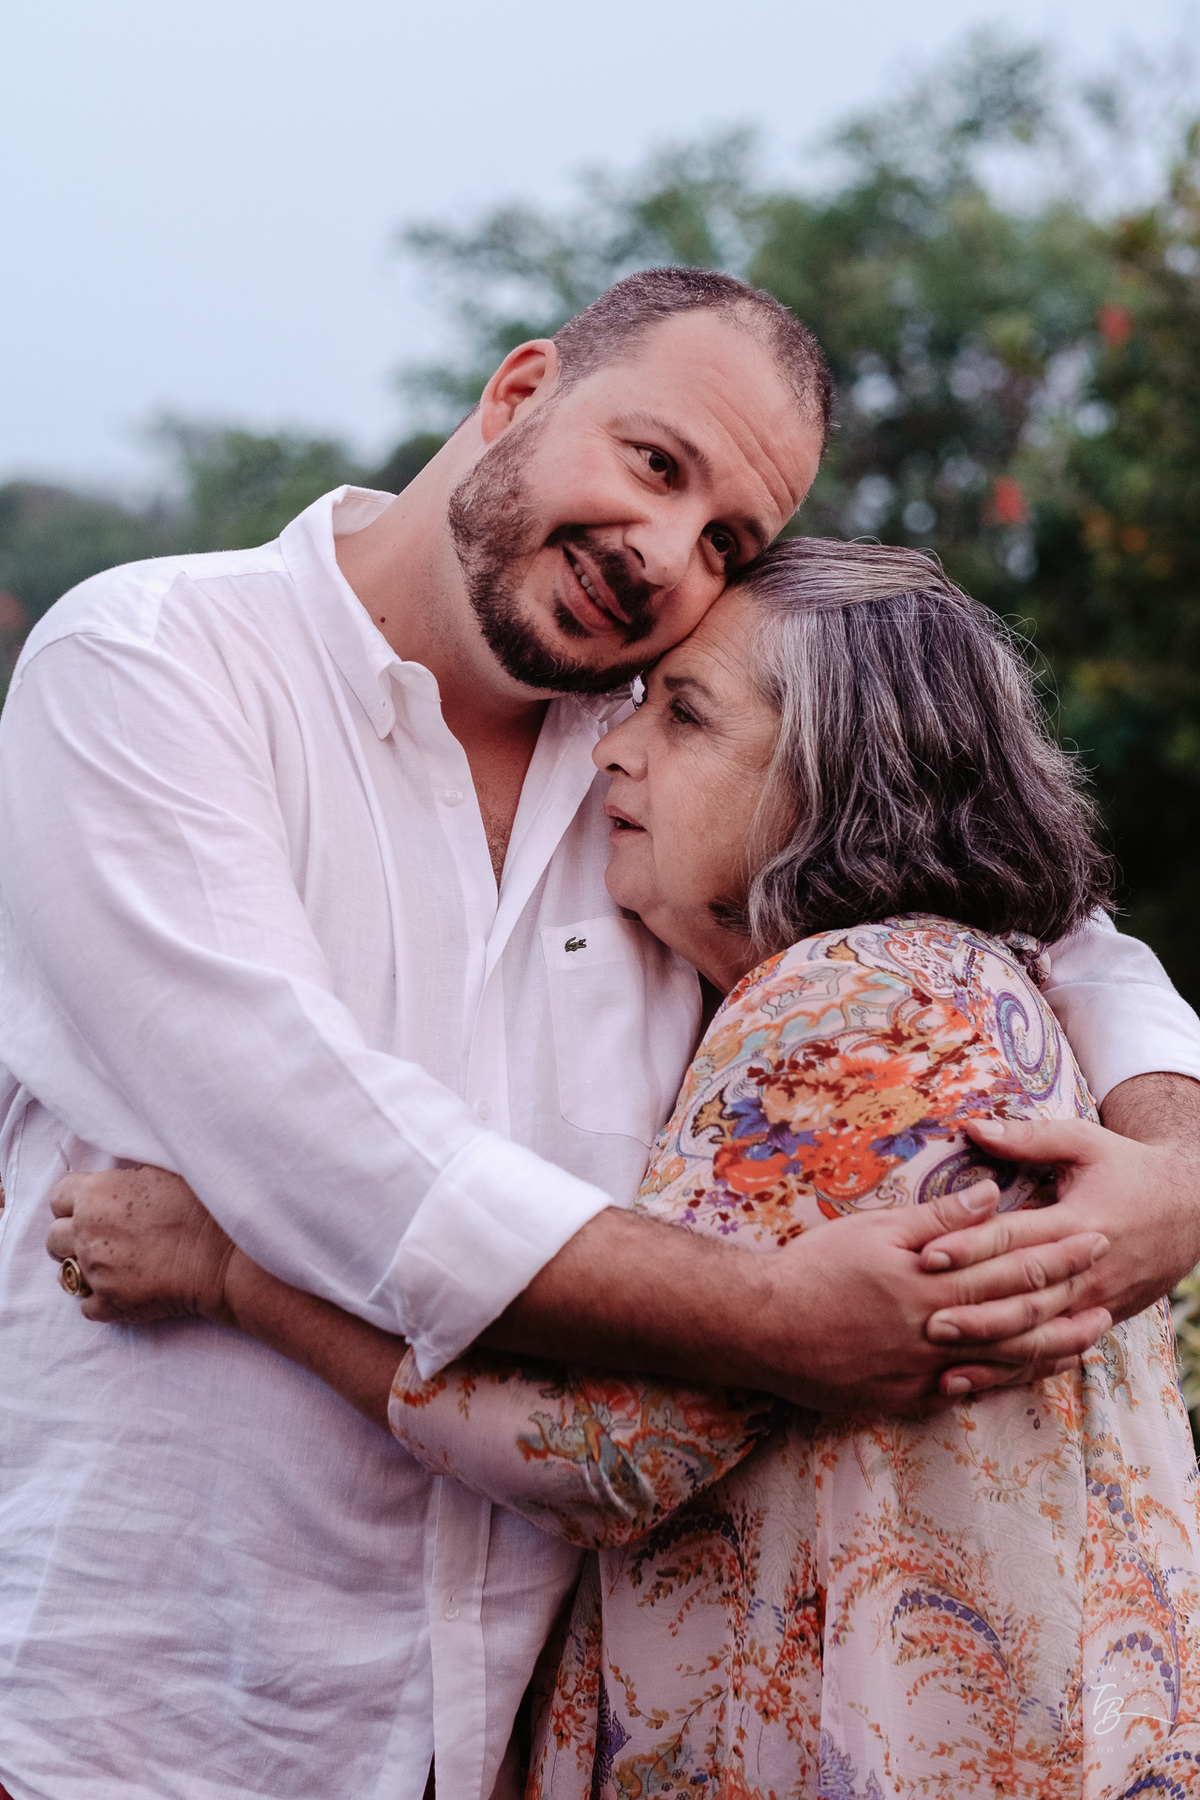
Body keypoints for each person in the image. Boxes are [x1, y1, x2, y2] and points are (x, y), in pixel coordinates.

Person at [5, 270, 1200, 1800]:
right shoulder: (159, 664)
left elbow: (1054, 927)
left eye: (727, 542)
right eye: (653, 462)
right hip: (160, 1721)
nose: (663, 552)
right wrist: (773, 1320)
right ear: (519, 393)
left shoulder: (658, 767)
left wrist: (1176, 1176)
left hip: (498, 1730)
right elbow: (311, 1144)